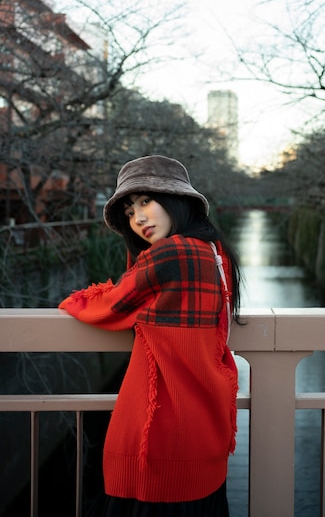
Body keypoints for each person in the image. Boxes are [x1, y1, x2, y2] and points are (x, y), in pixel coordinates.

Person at [59, 155, 241, 517]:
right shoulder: (212, 251)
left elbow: (109, 307)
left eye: (146, 202)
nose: (137, 218)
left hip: (162, 434)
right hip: (203, 427)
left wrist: (72, 300)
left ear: (177, 202)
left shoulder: (174, 252)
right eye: (129, 210)